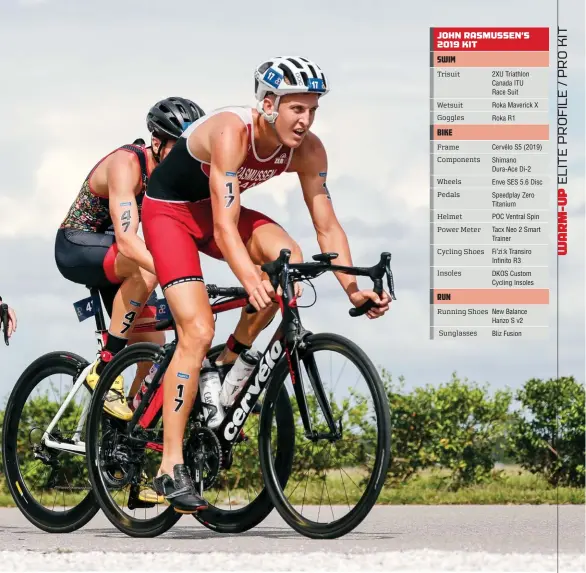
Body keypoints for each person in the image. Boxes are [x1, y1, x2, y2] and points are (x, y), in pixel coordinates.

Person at [141, 56, 392, 512]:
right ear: (270, 103)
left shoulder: (309, 150)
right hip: (170, 213)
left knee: (288, 263)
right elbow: (224, 227)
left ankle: (228, 360)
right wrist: (247, 279)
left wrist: (353, 290)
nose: (307, 119)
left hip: (217, 213)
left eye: (313, 109)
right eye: (298, 108)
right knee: (196, 330)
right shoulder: (230, 133)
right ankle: (169, 466)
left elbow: (328, 228)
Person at [54, 97, 205, 505]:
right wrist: (172, 270)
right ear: (157, 142)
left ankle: (135, 466)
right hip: (79, 246)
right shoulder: (128, 163)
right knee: (151, 268)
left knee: (153, 355)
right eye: (178, 147)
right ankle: (104, 367)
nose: (186, 159)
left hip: (124, 266)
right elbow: (126, 239)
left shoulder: (176, 181)